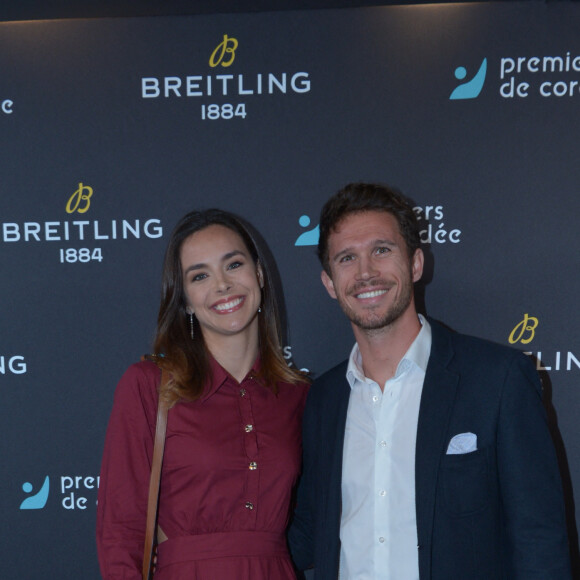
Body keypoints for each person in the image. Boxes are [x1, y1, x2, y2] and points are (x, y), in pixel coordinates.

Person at [288, 182, 571, 579]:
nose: (366, 272)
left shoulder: (498, 380)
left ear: (416, 264)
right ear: (330, 283)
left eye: (381, 251)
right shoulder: (323, 399)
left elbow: (539, 542)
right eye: (347, 258)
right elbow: (306, 534)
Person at [97, 209, 309, 579]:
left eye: (234, 264)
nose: (222, 285)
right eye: (200, 275)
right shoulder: (149, 386)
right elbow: (120, 530)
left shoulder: (299, 396)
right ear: (184, 299)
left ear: (258, 273)